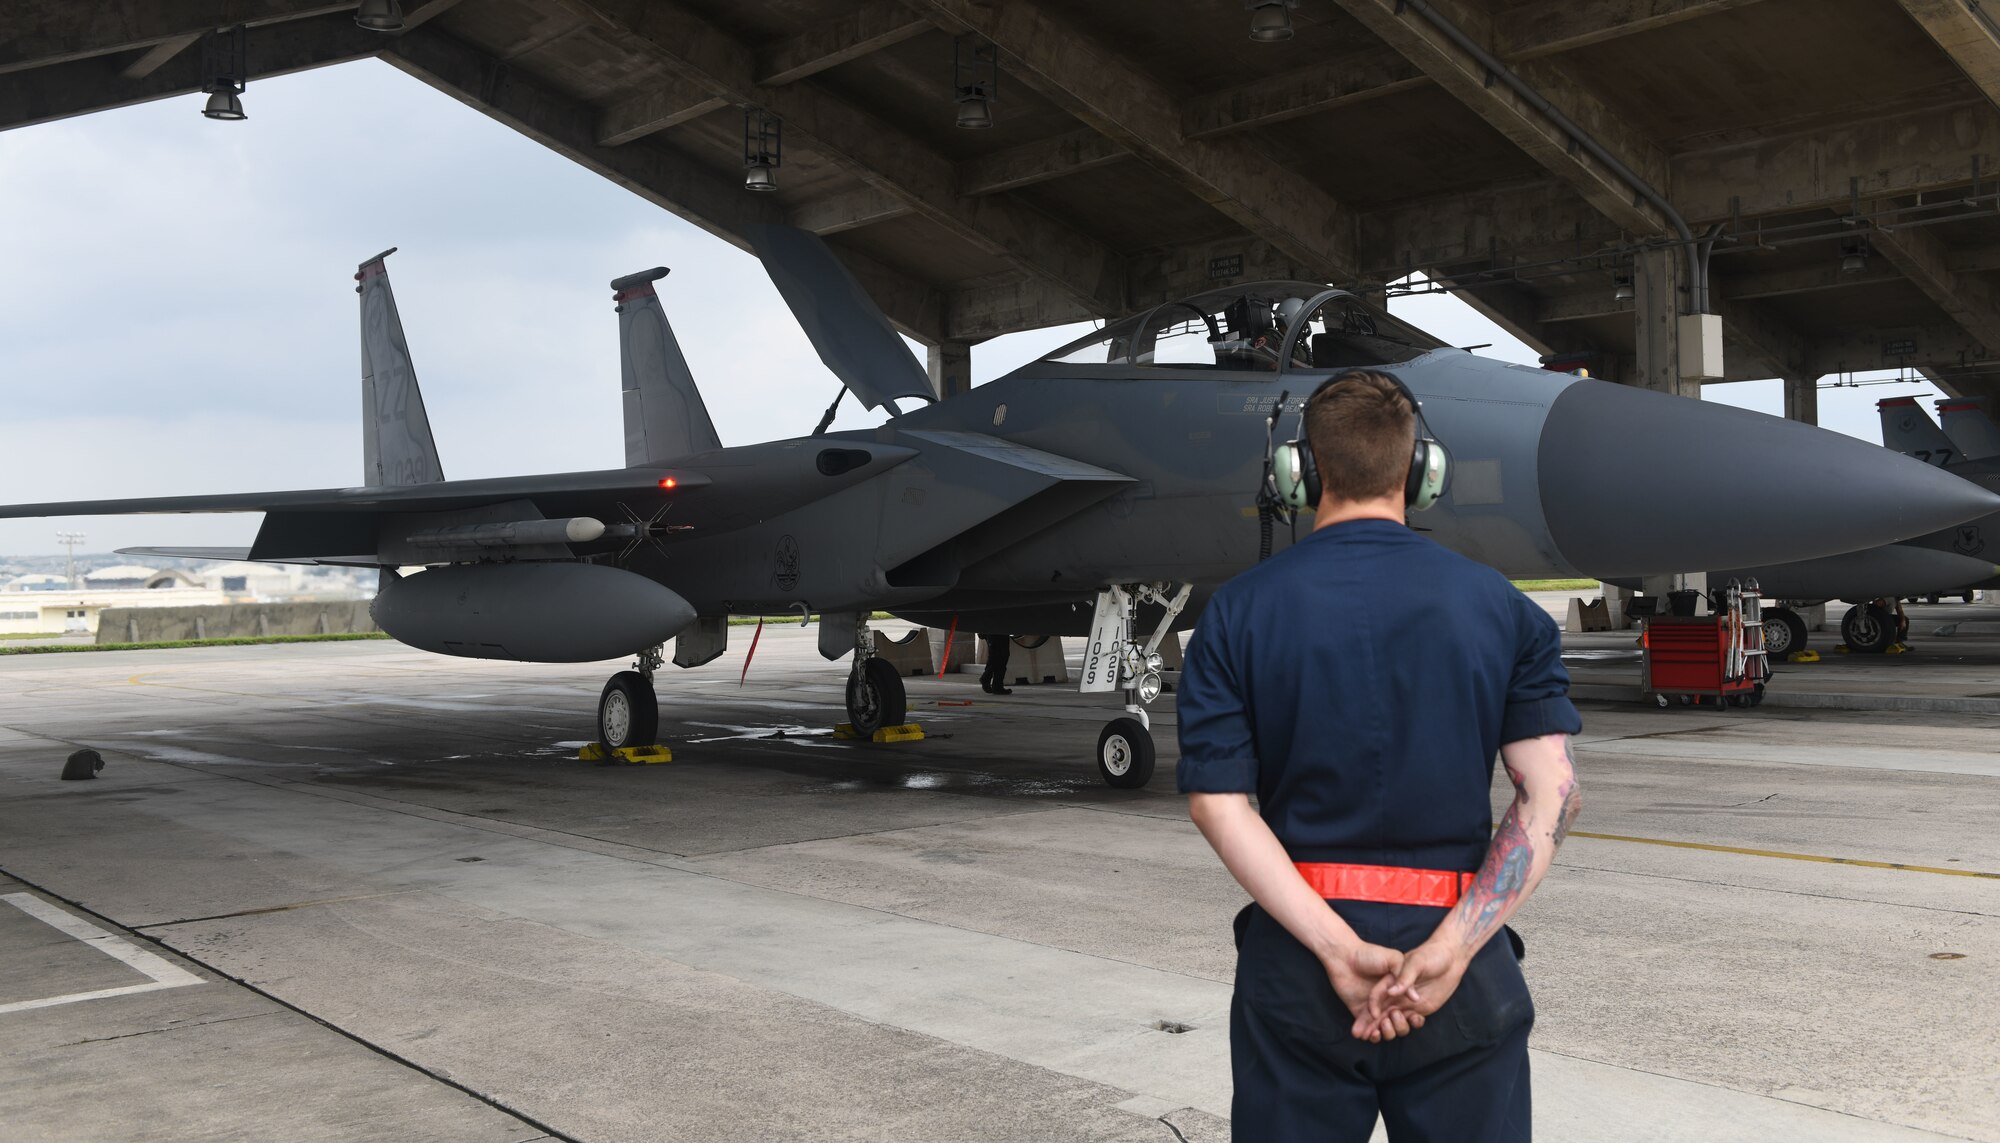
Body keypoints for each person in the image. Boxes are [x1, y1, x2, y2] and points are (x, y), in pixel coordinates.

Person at [1177, 370, 1583, 1142]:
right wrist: (1454, 950)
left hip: (1300, 974)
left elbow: (1217, 802)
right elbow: (1550, 796)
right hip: (1459, 978)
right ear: (1422, 471)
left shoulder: (1236, 613)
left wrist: (1338, 950)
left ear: (1301, 471)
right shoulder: (1507, 611)